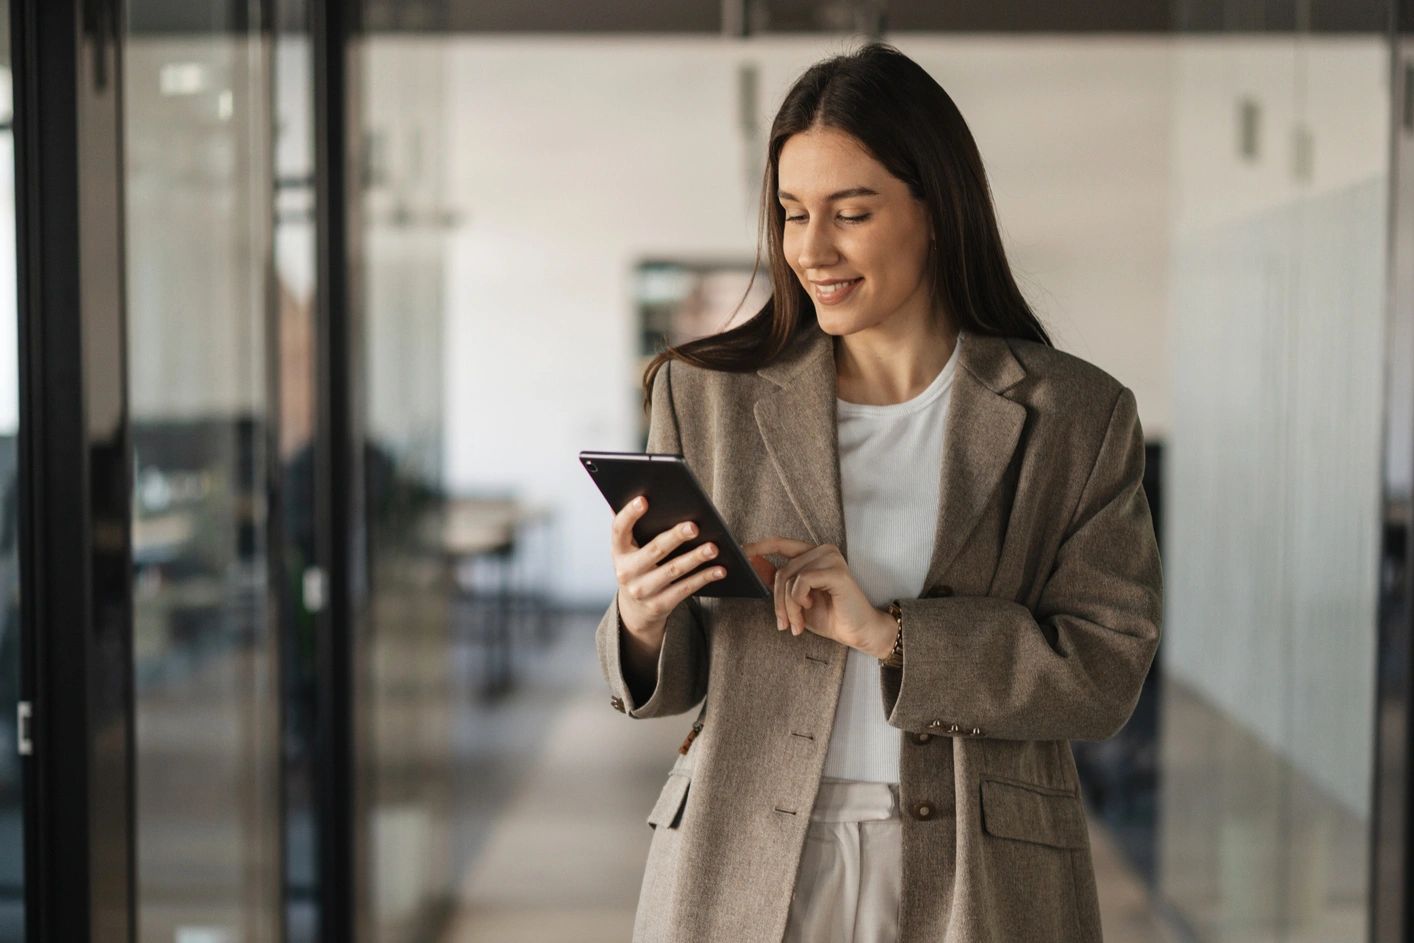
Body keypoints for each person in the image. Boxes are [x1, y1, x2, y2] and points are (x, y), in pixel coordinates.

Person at [597, 40, 1162, 943]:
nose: (811, 249)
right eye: (790, 213)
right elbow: (670, 676)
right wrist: (640, 616)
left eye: (850, 213)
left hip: (984, 878)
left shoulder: (1075, 416)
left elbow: (1104, 671)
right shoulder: (702, 396)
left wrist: (893, 634)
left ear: (936, 211)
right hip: (739, 861)